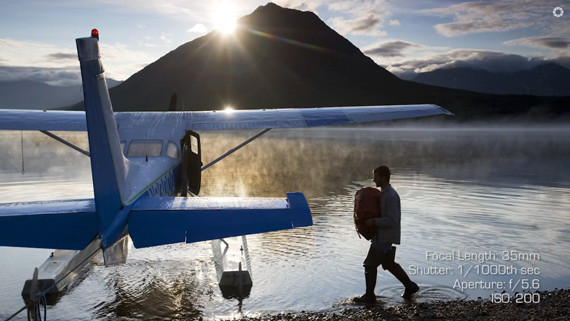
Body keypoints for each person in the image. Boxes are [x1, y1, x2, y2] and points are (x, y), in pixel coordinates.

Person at [354, 165, 419, 303]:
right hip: (382, 235)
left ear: (383, 177)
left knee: (369, 265)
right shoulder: (383, 194)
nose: (374, 180)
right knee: (389, 263)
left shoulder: (391, 196)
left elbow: (393, 220)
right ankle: (410, 286)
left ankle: (369, 296)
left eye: (376, 177)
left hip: (385, 237)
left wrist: (374, 221)